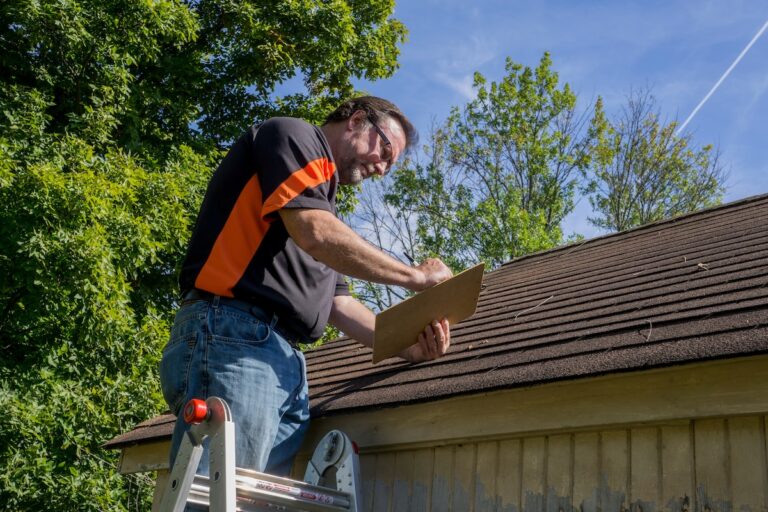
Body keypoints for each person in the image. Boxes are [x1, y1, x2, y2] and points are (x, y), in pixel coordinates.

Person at [159, 96, 453, 478]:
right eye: (384, 151)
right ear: (358, 120)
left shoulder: (322, 212)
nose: (382, 169)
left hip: (280, 361)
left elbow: (338, 305)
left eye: (389, 165)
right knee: (221, 497)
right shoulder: (294, 136)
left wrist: (407, 348)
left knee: (249, 503)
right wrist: (415, 276)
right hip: (235, 337)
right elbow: (314, 232)